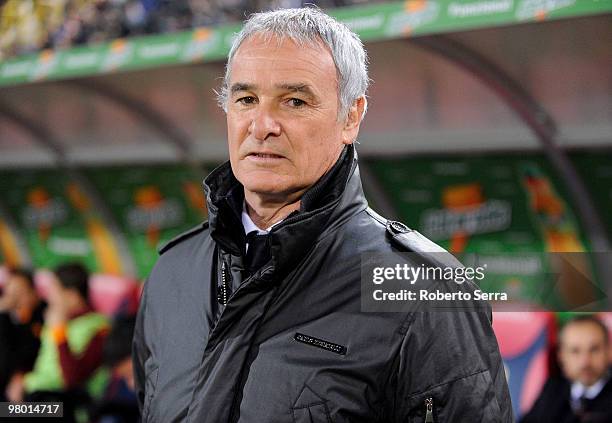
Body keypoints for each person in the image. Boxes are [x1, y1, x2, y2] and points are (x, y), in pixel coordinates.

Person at [133, 7, 512, 422]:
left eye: (294, 101)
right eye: (246, 99)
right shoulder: (172, 273)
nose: (262, 125)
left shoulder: (427, 293)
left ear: (351, 116)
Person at [8, 263, 110, 422]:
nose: (49, 298)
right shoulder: (56, 320)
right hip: (37, 395)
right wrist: (20, 377)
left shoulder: (98, 329)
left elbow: (72, 379)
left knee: (6, 412)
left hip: (67, 403)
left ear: (72, 296)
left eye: (54, 292)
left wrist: (60, 333)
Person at [521, 315, 612, 423]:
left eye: (594, 349)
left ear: (609, 351)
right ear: (561, 356)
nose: (585, 361)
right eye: (575, 351)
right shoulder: (554, 387)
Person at [0, 267, 46, 402]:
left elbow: (33, 352)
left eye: (20, 293)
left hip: (49, 403)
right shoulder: (10, 320)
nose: (15, 301)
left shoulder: (47, 316)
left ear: (34, 292)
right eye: (11, 294)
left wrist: (22, 377)